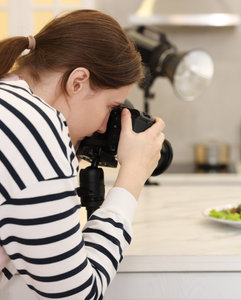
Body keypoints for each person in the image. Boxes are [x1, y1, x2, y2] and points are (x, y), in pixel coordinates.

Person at [0, 9, 165, 299]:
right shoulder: (36, 128)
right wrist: (132, 178)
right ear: (77, 81)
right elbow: (77, 293)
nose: (105, 124)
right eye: (109, 107)